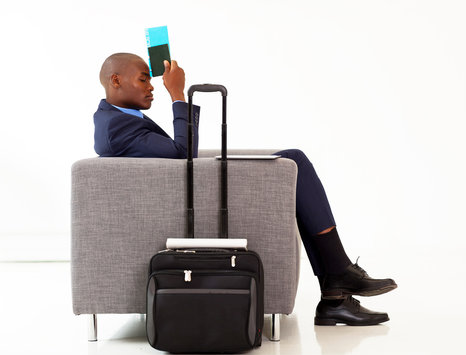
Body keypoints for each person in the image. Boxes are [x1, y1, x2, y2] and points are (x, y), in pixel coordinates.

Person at [94, 53, 397, 326]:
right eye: (144, 78)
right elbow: (181, 153)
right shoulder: (116, 127)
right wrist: (177, 93)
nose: (151, 86)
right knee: (293, 161)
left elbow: (178, 156)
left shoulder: (119, 120)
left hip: (193, 190)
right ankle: (337, 279)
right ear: (116, 80)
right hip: (197, 203)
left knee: (293, 161)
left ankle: (336, 293)